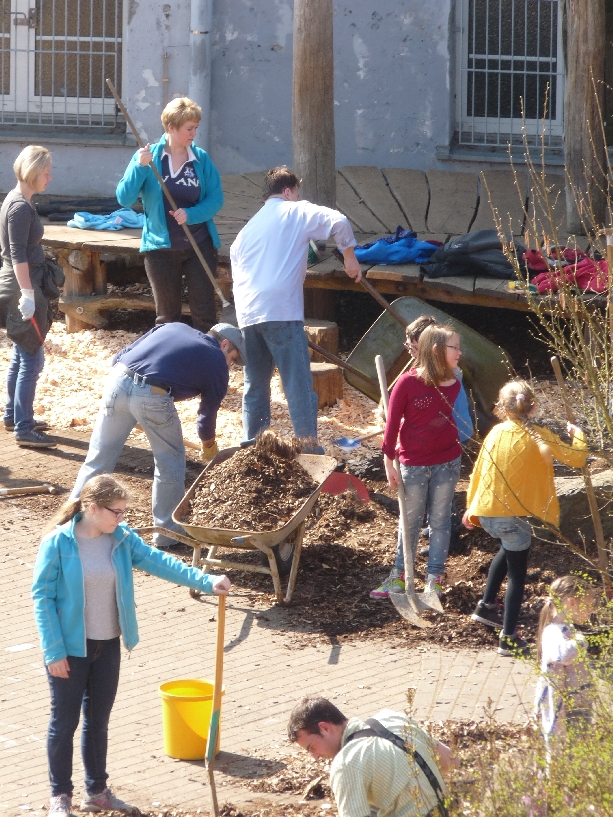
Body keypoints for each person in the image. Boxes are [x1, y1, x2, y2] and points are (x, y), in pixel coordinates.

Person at [32, 474, 230, 817]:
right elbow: (42, 597)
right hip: (69, 651)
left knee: (98, 721)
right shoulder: (58, 543)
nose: (122, 519)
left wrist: (206, 580)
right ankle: (59, 796)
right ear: (93, 508)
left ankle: (96, 792)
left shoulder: (120, 539)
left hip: (107, 645)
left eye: (124, 511)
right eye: (117, 512)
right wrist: (53, 651)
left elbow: (159, 562)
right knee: (63, 723)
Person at [70, 322, 245, 548]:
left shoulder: (171, 327)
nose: (230, 365)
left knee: (98, 458)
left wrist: (130, 406)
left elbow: (119, 357)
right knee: (170, 463)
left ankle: (71, 522)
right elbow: (206, 415)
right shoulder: (216, 362)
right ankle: (167, 534)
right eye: (233, 359)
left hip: (117, 381)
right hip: (153, 395)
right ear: (224, 344)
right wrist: (209, 445)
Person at [230, 166, 362, 450]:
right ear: (288, 191)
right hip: (281, 310)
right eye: (297, 192)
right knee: (297, 384)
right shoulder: (295, 210)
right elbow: (338, 221)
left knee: (255, 385)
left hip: (248, 312)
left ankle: (254, 446)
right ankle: (308, 447)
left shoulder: (246, 230)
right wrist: (350, 258)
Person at [463, 380, 588, 656]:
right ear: (532, 408)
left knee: (506, 550)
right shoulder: (540, 437)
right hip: (514, 517)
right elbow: (577, 459)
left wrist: (471, 507)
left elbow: (479, 471)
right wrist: (577, 434)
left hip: (488, 515)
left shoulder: (495, 433)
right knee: (518, 576)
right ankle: (508, 638)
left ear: (502, 409)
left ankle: (485, 606)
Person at [371, 324, 463, 600]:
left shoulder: (455, 382)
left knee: (440, 520)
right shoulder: (407, 383)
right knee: (409, 521)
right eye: (454, 347)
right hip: (413, 464)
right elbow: (391, 428)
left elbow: (444, 421)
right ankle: (400, 575)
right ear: (436, 350)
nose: (460, 352)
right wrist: (389, 463)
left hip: (447, 460)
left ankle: (433, 578)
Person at [117, 97, 223, 333]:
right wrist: (139, 167)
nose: (194, 134)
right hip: (160, 249)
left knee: (204, 313)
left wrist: (192, 214)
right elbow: (124, 198)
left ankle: (209, 364)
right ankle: (170, 366)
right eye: (189, 128)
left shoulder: (201, 158)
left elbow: (216, 199)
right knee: (167, 318)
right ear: (171, 128)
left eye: (196, 128)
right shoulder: (148, 157)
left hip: (199, 245)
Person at [288, 696, 455, 817]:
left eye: (312, 747)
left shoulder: (346, 763)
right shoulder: (393, 718)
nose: (315, 757)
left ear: (324, 728)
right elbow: (449, 760)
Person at [0, 145, 64, 448]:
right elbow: (17, 254)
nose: (50, 178)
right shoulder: (19, 207)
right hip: (21, 286)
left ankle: (13, 415)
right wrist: (27, 294)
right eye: (47, 173)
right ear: (33, 171)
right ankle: (24, 428)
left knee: (21, 353)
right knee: (32, 358)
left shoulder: (19, 201)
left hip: (20, 284)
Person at [534, 575, 596, 748]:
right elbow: (564, 655)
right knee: (567, 750)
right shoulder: (553, 632)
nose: (590, 611)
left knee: (581, 748)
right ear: (571, 603)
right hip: (564, 708)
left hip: (575, 702)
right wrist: (580, 640)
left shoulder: (566, 629)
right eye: (588, 605)